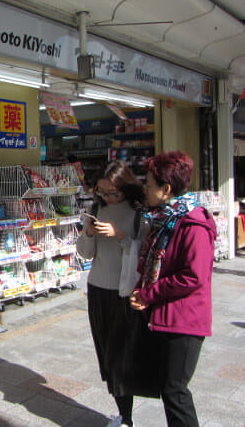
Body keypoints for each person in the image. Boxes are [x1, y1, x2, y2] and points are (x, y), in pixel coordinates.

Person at [130, 151, 216, 427]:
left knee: (175, 391)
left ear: (165, 189)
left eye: (149, 184)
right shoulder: (167, 219)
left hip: (185, 321)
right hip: (168, 316)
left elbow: (193, 276)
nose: (146, 189)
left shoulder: (192, 224)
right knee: (170, 389)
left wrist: (149, 294)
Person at [76, 160, 153, 427]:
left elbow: (142, 255)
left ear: (126, 188)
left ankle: (127, 418)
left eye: (113, 193)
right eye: (102, 191)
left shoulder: (138, 213)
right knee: (106, 354)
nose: (107, 197)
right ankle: (123, 413)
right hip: (97, 289)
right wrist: (87, 231)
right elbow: (85, 254)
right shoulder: (95, 209)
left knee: (121, 357)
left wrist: (121, 236)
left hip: (124, 293)